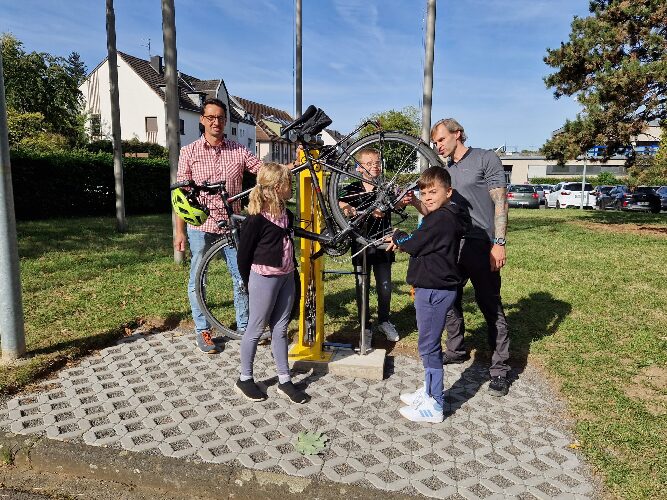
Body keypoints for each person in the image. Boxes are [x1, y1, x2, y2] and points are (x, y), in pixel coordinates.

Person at [427, 118, 511, 397]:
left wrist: (498, 243)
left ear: (457, 134)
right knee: (449, 298)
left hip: (481, 244)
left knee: (489, 305)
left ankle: (499, 369)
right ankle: (457, 348)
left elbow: (501, 201)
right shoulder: (446, 171)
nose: (437, 145)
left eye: (440, 139)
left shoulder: (486, 158)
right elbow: (437, 210)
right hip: (454, 246)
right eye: (435, 142)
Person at [174, 98, 261, 354]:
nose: (216, 122)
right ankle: (203, 331)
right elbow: (181, 197)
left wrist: (292, 164)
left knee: (242, 277)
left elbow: (264, 171)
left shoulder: (238, 150)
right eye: (211, 117)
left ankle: (244, 328)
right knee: (197, 280)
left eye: (221, 118)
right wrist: (179, 231)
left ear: (226, 121)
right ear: (202, 120)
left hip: (232, 228)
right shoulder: (188, 152)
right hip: (201, 227)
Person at [387, 166, 467, 423]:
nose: (428, 197)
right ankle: (429, 389)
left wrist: (398, 235)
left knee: (429, 347)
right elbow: (422, 243)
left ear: (449, 192)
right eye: (423, 192)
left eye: (434, 191)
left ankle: (434, 404)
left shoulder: (439, 219)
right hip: (434, 287)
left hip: (433, 290)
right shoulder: (446, 215)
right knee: (428, 344)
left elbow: (413, 244)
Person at [235, 163, 308, 404]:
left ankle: (284, 380)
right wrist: (248, 281)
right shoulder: (256, 219)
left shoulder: (287, 214)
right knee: (256, 328)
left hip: (286, 276)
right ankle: (245, 378)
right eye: (289, 183)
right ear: (278, 187)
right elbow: (243, 254)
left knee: (281, 327)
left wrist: (293, 274)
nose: (292, 187)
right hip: (263, 278)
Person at [337, 148, 400, 345]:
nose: (375, 165)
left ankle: (384, 320)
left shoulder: (386, 187)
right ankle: (365, 326)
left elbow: (398, 204)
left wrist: (399, 202)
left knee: (385, 287)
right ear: (359, 167)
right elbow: (338, 201)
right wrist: (346, 208)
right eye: (369, 162)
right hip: (360, 243)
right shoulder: (353, 188)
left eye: (377, 162)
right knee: (361, 287)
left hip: (382, 243)